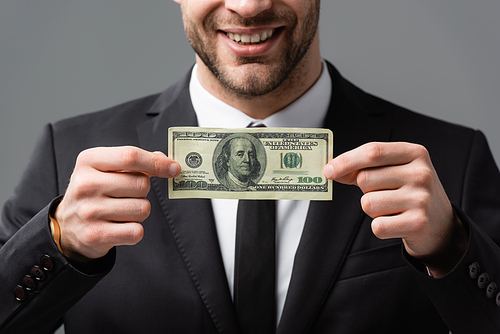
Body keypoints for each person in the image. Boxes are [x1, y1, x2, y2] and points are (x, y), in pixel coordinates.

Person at [1, 0, 500, 333]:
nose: (249, 5)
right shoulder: (66, 156)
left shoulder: (451, 160)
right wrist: (57, 244)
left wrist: (453, 248)